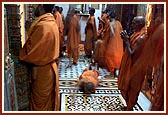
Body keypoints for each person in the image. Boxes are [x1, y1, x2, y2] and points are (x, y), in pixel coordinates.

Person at [19, 4, 60, 111]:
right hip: (49, 69)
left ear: (41, 6)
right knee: (46, 103)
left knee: (39, 105)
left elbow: (32, 52)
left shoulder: (43, 26)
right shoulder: (52, 23)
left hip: (43, 71)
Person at [118, 16, 147, 111]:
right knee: (127, 86)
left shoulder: (141, 38)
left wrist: (126, 40)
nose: (132, 25)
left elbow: (132, 53)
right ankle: (128, 106)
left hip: (136, 68)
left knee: (132, 88)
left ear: (141, 24)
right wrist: (125, 39)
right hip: (130, 65)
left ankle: (130, 108)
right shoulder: (136, 33)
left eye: (134, 23)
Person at [103, 11, 124, 78]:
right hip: (119, 43)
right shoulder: (119, 23)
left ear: (109, 17)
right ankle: (115, 73)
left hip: (112, 43)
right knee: (117, 57)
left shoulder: (110, 23)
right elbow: (121, 32)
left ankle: (112, 74)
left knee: (110, 57)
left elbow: (111, 33)